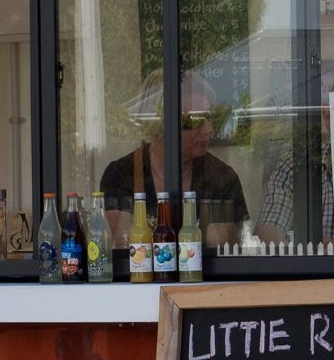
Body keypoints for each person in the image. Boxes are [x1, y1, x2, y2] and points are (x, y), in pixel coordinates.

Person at [99, 73, 249, 245]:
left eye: (210, 118)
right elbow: (117, 248)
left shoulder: (222, 177)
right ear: (162, 124)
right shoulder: (121, 175)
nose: (208, 129)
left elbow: (232, 251)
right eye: (194, 120)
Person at [259, 66, 334, 246]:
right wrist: (311, 253)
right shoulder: (297, 165)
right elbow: (268, 232)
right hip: (321, 273)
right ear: (328, 117)